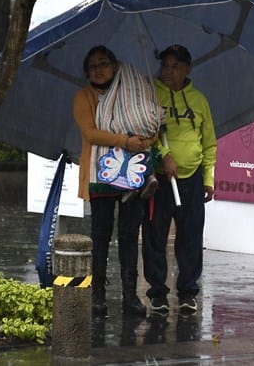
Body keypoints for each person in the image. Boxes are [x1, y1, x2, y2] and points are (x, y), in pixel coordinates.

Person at [73, 45, 160, 317]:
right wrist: (125, 141)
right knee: (100, 234)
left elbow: (149, 125)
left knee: (128, 235)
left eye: (103, 63)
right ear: (87, 72)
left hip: (133, 176)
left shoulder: (133, 93)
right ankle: (97, 294)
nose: (98, 70)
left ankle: (129, 295)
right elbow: (91, 134)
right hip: (100, 175)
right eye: (93, 66)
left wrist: (145, 140)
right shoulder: (83, 97)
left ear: (115, 65)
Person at [141, 44, 217, 314]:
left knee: (191, 236)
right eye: (165, 65)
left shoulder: (199, 101)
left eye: (175, 66)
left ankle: (187, 291)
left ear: (187, 68)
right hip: (159, 180)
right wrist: (163, 156)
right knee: (155, 236)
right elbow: (147, 133)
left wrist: (208, 177)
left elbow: (209, 143)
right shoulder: (150, 95)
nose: (168, 71)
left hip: (192, 179)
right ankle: (157, 293)